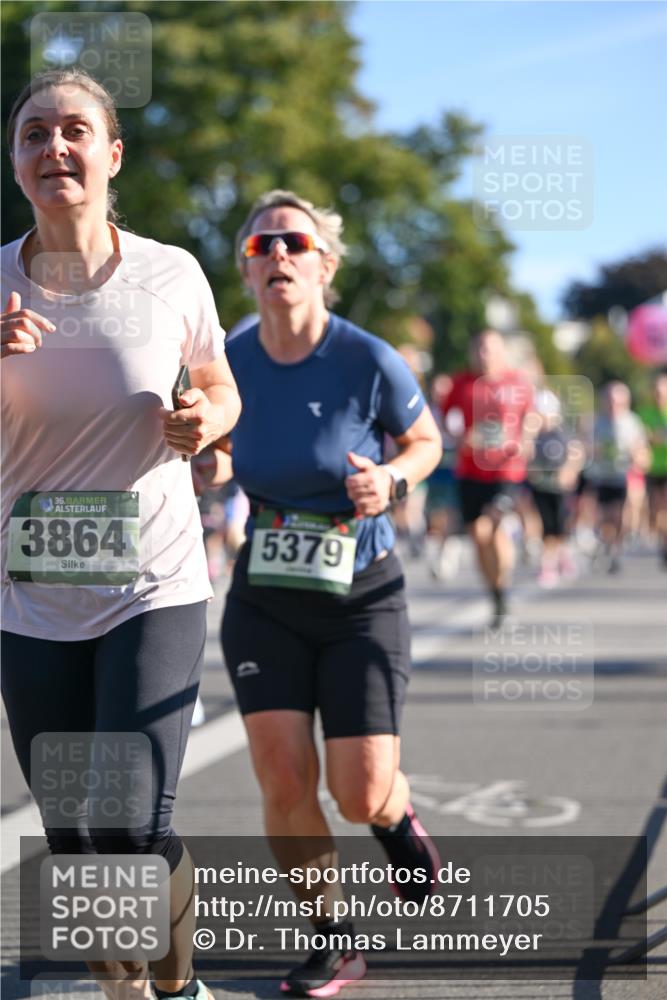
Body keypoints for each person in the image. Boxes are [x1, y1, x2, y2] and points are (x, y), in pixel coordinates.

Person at [1, 70, 241, 1000]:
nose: (52, 148)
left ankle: (179, 990)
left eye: (73, 131)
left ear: (112, 155)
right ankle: (125, 985)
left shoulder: (170, 272)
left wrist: (203, 425)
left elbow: (220, 387)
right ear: (16, 159)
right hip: (31, 598)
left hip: (154, 585)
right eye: (32, 133)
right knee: (76, 839)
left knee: (132, 824)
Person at [215, 190, 442, 997]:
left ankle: (397, 821)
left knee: (359, 792)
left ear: (324, 264)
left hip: (360, 599)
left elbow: (425, 442)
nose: (277, 254)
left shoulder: (365, 357)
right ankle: (333, 938)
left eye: (294, 242)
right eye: (258, 245)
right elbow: (213, 453)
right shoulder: (229, 360)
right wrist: (204, 464)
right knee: (282, 780)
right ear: (246, 268)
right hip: (266, 595)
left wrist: (390, 477)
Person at [440, 330, 536, 624]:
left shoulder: (517, 382)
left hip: (506, 469)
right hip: (470, 469)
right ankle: (495, 593)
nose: (485, 355)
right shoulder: (462, 383)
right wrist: (459, 437)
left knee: (495, 529)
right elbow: (445, 419)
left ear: (502, 352)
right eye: (480, 349)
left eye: (490, 349)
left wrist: (525, 439)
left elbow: (531, 417)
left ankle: (503, 589)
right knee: (479, 537)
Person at [587, 381, 648, 573]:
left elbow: (641, 450)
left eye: (618, 402)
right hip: (602, 476)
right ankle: (607, 543)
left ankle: (615, 550)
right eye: (610, 401)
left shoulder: (632, 422)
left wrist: (637, 456)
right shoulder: (597, 422)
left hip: (623, 476)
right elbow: (586, 447)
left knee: (621, 516)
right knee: (604, 517)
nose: (613, 406)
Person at [639, 372, 667, 567]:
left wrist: (656, 438)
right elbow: (641, 438)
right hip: (653, 468)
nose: (660, 395)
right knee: (657, 513)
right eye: (657, 391)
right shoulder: (645, 413)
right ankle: (664, 543)